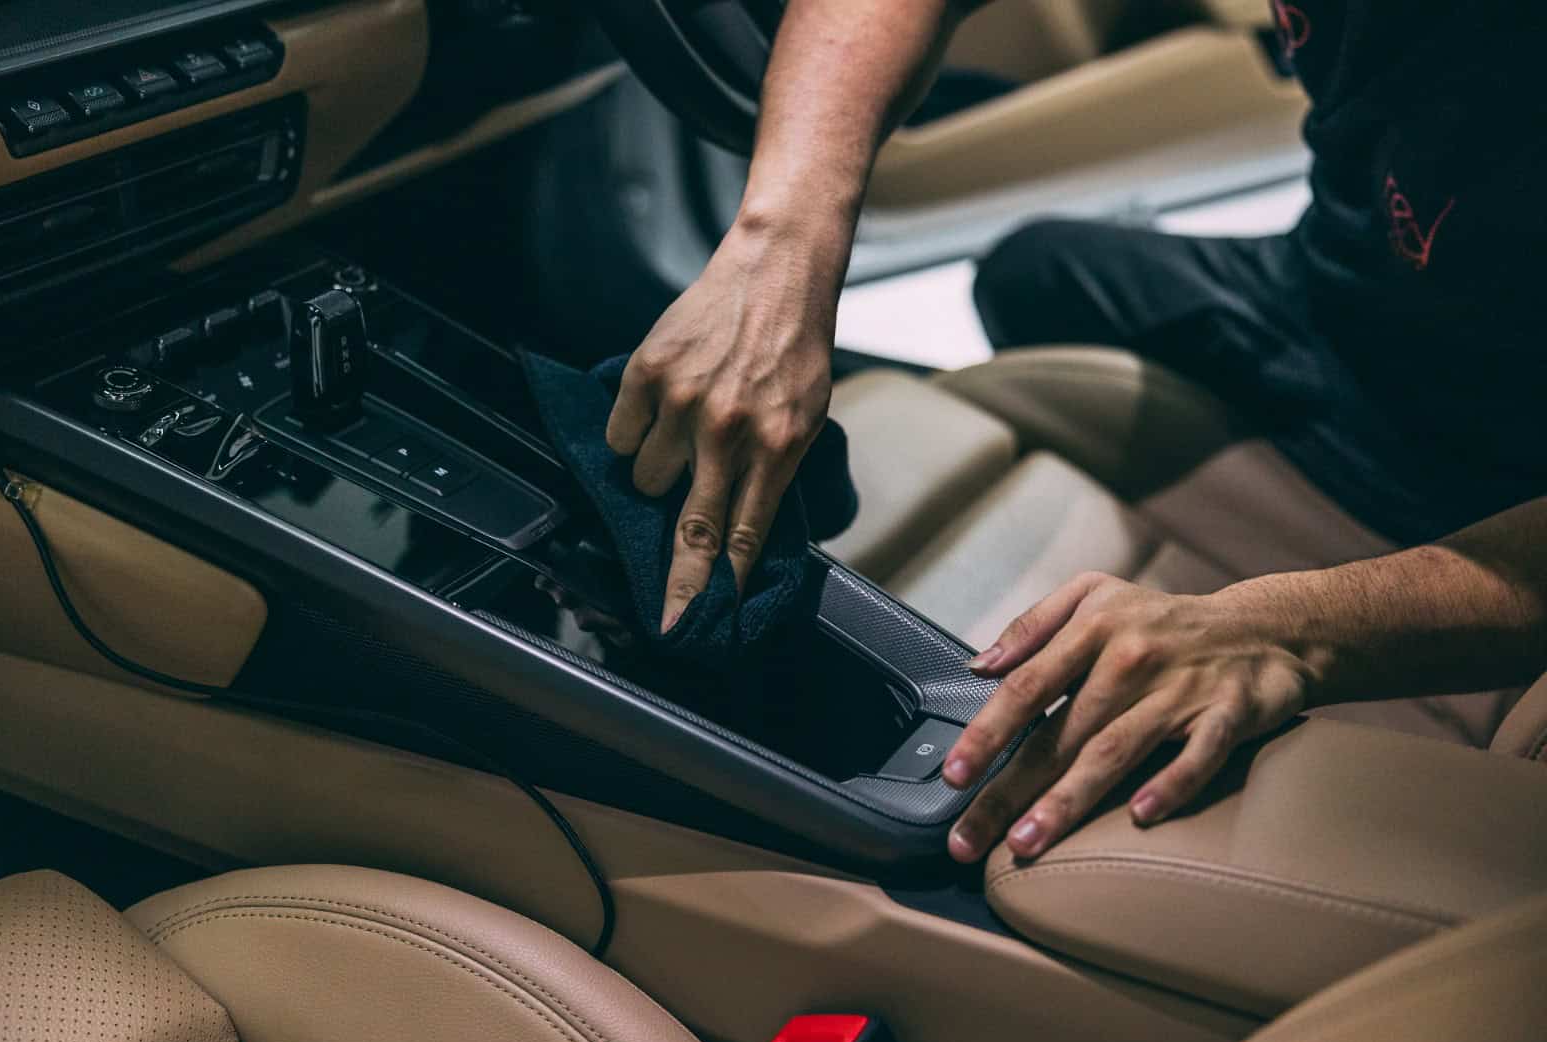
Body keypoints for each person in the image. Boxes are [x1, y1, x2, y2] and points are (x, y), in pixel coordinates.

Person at [602, 0, 1547, 864]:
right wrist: (782, 249)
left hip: (1480, 472)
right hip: (1339, 299)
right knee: (1034, 273)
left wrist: (1287, 629)